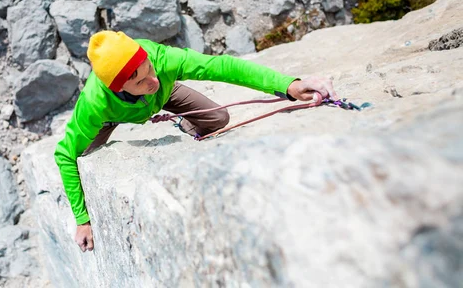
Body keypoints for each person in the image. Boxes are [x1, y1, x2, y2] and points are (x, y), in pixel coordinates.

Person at [54, 31, 338, 252]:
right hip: (109, 117)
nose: (151, 78)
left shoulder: (160, 61)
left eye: (148, 67)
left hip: (163, 96)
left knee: (217, 118)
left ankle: (187, 127)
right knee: (84, 158)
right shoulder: (94, 104)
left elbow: (221, 66)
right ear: (118, 87)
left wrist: (289, 85)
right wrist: (82, 219)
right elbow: (64, 154)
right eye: (139, 80)